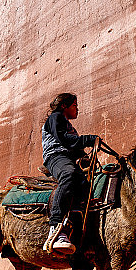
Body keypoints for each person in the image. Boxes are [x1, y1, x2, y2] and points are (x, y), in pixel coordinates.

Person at [41, 93, 98, 254]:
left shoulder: (69, 125)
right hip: (56, 157)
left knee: (85, 184)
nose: (77, 108)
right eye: (74, 105)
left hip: (69, 158)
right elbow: (64, 140)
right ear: (64, 106)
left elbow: (77, 148)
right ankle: (55, 227)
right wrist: (88, 139)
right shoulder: (56, 118)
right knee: (69, 175)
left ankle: (73, 230)